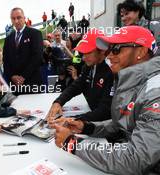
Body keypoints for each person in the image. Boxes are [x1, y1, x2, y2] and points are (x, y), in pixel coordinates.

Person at [53, 26, 160, 175]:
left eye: (116, 49)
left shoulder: (155, 92)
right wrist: (87, 127)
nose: (109, 56)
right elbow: (123, 124)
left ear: (141, 52)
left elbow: (136, 158)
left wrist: (72, 143)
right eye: (109, 50)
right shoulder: (132, 80)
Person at [47, 29, 113, 122]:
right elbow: (77, 86)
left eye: (88, 52)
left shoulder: (112, 71)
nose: (83, 57)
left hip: (102, 127)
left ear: (102, 51)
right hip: (90, 116)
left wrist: (72, 120)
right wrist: (58, 102)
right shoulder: (89, 65)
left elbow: (105, 111)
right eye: (83, 53)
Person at [3, 7, 43, 94]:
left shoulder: (35, 34)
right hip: (15, 86)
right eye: (13, 18)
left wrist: (23, 77)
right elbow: (5, 61)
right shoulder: (8, 39)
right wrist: (12, 76)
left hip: (32, 83)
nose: (16, 21)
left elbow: (37, 57)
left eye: (19, 17)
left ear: (24, 18)